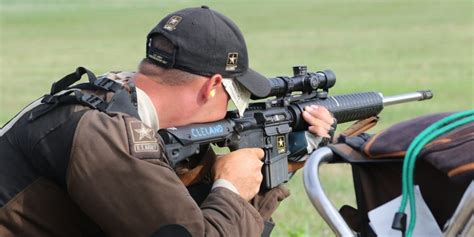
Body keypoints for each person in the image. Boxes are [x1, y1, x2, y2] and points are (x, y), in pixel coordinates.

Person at [0, 6, 335, 237]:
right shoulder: (112, 135)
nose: (233, 114)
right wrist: (231, 188)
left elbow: (179, 209)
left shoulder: (109, 98)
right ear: (213, 86)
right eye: (235, 101)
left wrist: (282, 162)